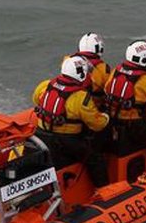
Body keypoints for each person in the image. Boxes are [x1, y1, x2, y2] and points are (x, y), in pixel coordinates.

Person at [33, 56, 111, 188]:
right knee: (95, 159)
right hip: (67, 140)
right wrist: (106, 115)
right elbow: (97, 124)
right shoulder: (81, 97)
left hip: (41, 135)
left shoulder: (45, 85)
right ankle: (104, 190)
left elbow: (36, 99)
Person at [67, 32, 111, 100]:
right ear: (99, 48)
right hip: (91, 104)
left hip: (70, 100)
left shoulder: (67, 60)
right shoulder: (104, 68)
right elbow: (108, 88)